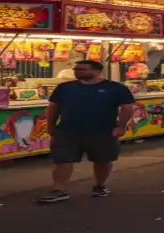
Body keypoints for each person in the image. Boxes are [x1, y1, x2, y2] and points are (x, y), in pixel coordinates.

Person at [36, 60, 137, 204]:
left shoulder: (115, 88)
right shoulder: (64, 88)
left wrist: (121, 126)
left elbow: (128, 107)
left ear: (97, 71)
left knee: (102, 160)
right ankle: (58, 189)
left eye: (82, 69)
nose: (77, 72)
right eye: (76, 69)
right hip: (67, 130)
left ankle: (100, 186)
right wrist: (51, 127)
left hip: (102, 131)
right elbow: (53, 108)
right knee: (62, 160)